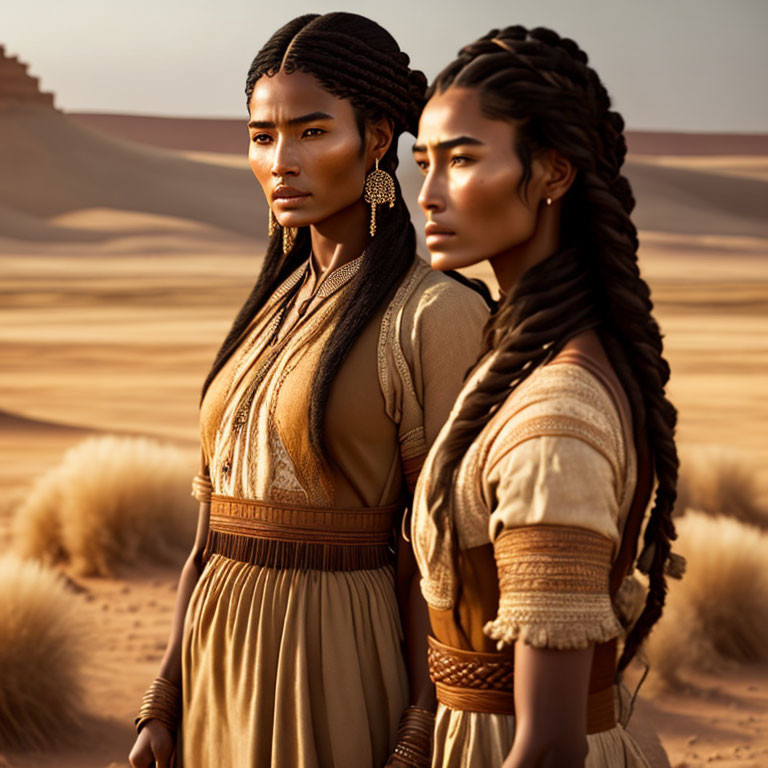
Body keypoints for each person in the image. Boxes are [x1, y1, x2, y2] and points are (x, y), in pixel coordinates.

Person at [128, 12, 490, 768]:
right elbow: (206, 538)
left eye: (312, 132)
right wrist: (164, 699)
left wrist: (423, 726)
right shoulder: (267, 308)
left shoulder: (434, 313)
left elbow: (443, 561)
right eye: (263, 136)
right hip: (215, 661)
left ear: (379, 138)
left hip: (336, 659)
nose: (281, 161)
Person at [410, 26, 681, 768]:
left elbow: (552, 743)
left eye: (462, 160)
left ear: (553, 172)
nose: (428, 194)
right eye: (422, 162)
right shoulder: (532, 365)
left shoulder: (556, 414)